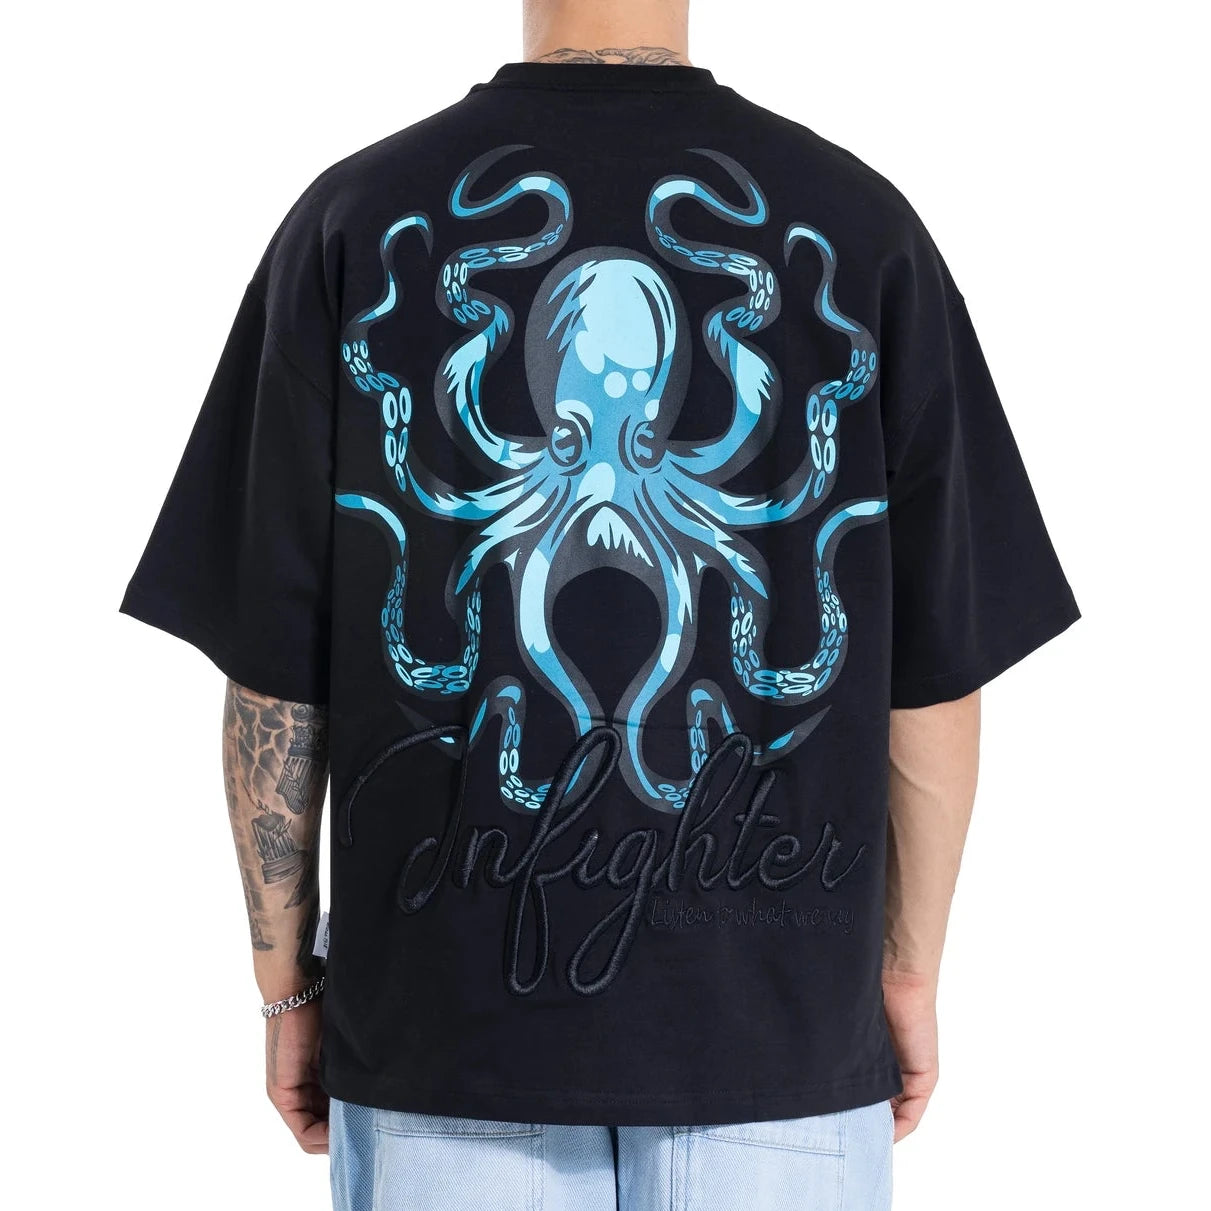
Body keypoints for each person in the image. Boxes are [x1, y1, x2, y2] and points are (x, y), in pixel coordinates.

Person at [119, 1, 1080, 1207]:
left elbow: (275, 675)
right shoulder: (862, 224)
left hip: (442, 1054)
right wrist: (903, 973)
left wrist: (286, 987)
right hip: (779, 1054)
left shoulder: (351, 218)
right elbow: (933, 686)